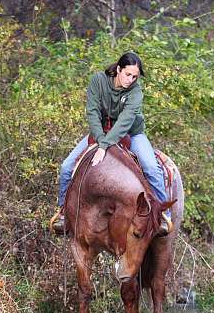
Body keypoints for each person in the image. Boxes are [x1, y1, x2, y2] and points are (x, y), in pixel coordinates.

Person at [51, 51, 171, 236]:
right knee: (67, 166)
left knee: (151, 167)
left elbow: (125, 121)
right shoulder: (98, 81)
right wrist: (101, 141)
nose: (130, 79)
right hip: (101, 132)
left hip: (132, 133)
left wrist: (104, 146)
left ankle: (163, 215)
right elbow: (92, 112)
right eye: (127, 74)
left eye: (135, 77)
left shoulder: (135, 91)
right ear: (118, 69)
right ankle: (63, 213)